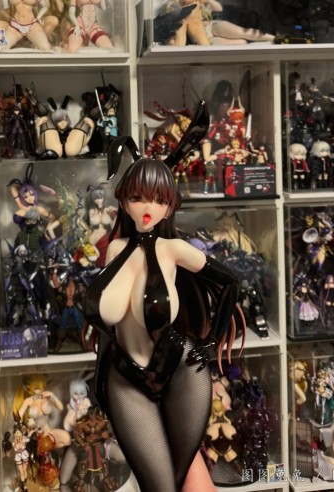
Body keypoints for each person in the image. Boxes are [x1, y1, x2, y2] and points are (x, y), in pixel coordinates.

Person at [82, 101, 242, 492]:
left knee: (184, 480)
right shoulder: (116, 249)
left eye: (157, 199)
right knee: (162, 486)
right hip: (124, 376)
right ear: (124, 200)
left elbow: (229, 282)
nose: (147, 208)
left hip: (182, 369)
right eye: (138, 197)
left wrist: (210, 341)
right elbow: (107, 319)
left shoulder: (174, 250)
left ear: (170, 205)